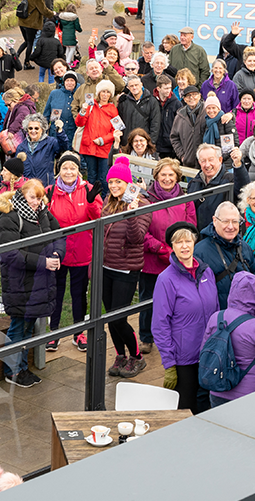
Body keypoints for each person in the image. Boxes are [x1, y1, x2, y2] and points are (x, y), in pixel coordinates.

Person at [0, 180, 65, 387]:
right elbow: (10, 254)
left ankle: (22, 368)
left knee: (27, 326)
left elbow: (59, 234)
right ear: (22, 195)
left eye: (39, 197)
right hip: (20, 283)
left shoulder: (43, 212)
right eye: (32, 197)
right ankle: (13, 371)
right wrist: (43, 262)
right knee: (19, 327)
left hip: (38, 282)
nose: (36, 202)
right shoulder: (10, 218)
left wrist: (57, 254)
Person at [152, 222, 219, 414]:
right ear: (171, 246)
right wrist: (169, 363)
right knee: (186, 411)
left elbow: (215, 309)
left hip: (208, 353)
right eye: (178, 242)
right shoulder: (166, 280)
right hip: (184, 360)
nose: (184, 246)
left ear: (194, 243)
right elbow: (159, 324)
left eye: (188, 241)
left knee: (207, 406)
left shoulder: (207, 272)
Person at [46, 153, 103, 350]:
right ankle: (54, 332)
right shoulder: (50, 191)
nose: (69, 172)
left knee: (79, 294)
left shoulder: (88, 189)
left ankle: (79, 333)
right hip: (57, 253)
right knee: (56, 292)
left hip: (82, 250)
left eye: (72, 168)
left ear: (78, 170)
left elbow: (98, 218)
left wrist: (91, 202)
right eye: (65, 168)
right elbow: (44, 221)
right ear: (58, 171)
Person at [101, 156, 150, 377]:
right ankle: (120, 354)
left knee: (119, 318)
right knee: (109, 317)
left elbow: (137, 238)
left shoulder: (142, 204)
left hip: (126, 268)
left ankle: (136, 357)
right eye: (111, 182)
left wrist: (131, 213)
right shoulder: (108, 201)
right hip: (107, 266)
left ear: (128, 183)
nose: (113, 186)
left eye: (118, 182)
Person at [140, 158, 196, 354]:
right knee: (148, 300)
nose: (167, 178)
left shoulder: (186, 199)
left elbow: (191, 228)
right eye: (163, 174)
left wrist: (177, 250)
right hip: (152, 259)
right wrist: (162, 249)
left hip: (177, 261)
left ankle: (172, 336)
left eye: (171, 174)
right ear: (156, 176)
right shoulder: (146, 199)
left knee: (176, 301)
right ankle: (146, 337)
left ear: (177, 177)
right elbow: (142, 232)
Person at [205, 272, 255, 407]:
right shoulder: (252, 325)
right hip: (248, 394)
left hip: (217, 388)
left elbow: (203, 349)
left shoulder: (216, 317)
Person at [193, 201, 255, 310]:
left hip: (246, 316)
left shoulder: (244, 247)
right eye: (226, 221)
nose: (230, 227)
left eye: (235, 221)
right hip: (218, 320)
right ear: (215, 221)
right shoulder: (200, 252)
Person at [188, 141, 250, 231]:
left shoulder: (230, 180)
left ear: (220, 160)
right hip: (200, 237)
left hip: (223, 236)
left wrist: (238, 165)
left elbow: (244, 190)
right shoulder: (194, 183)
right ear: (199, 162)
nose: (207, 164)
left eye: (211, 159)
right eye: (203, 161)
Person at [74, 79, 119, 195]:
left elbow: (116, 130)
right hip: (89, 147)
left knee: (104, 178)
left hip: (104, 148)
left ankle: (103, 203)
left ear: (111, 95)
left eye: (108, 92)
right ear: (98, 92)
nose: (105, 94)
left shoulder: (113, 109)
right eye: (103, 91)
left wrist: (103, 140)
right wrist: (83, 111)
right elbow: (79, 123)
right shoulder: (90, 105)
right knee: (91, 177)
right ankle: (90, 200)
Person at [16, 111, 68, 186]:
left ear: (42, 129)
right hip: (27, 187)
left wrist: (60, 131)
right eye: (30, 128)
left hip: (45, 186)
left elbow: (63, 148)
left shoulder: (50, 142)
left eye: (36, 128)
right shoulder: (21, 147)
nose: (33, 131)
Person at [118, 73, 161, 148]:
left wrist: (151, 142)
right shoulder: (124, 102)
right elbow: (120, 122)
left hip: (143, 144)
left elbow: (155, 124)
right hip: (127, 144)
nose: (134, 87)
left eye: (136, 85)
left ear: (141, 85)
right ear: (128, 87)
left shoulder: (152, 101)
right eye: (131, 86)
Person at [15, 0, 48, 66]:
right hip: (31, 23)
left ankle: (16, 55)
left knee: (26, 41)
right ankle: (26, 63)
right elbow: (43, 10)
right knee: (30, 43)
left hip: (22, 22)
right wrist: (53, 14)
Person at [46, 70, 80, 145]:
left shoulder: (79, 94)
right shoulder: (55, 93)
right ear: (64, 82)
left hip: (72, 133)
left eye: (72, 80)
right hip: (55, 133)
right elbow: (46, 114)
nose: (69, 83)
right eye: (67, 80)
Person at [154, 72, 183, 160]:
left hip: (170, 146)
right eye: (166, 88)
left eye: (170, 88)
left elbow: (180, 126)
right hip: (155, 144)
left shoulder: (176, 104)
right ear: (158, 88)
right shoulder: (152, 101)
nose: (168, 91)